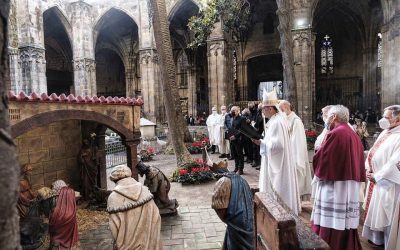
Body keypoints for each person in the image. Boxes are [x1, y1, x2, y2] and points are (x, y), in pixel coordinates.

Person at [311, 105, 365, 250]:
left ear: (334, 116)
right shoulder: (350, 132)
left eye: (328, 115)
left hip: (335, 185)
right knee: (343, 219)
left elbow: (325, 159)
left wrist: (317, 156)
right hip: (347, 182)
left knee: (333, 219)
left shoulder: (336, 133)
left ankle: (329, 244)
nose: (326, 118)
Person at [251, 90, 301, 215]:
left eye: (264, 108)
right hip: (275, 158)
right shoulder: (276, 120)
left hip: (278, 162)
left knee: (276, 191)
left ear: (271, 109)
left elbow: (279, 146)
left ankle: (278, 213)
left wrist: (261, 143)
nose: (262, 111)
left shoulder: (277, 122)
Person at [362, 105, 400, 248]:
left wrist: (378, 176)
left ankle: (388, 241)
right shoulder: (386, 132)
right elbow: (373, 151)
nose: (383, 120)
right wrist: (368, 166)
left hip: (391, 184)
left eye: (387, 117)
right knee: (377, 211)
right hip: (375, 179)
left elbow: (396, 163)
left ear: (398, 120)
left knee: (389, 215)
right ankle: (377, 238)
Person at [107, 165, 162, 250]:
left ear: (114, 179)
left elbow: (113, 227)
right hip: (149, 244)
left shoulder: (113, 197)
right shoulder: (145, 190)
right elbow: (156, 216)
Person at [279, 100, 312, 200]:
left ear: (284, 108)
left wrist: (297, 159)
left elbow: (298, 141)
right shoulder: (285, 119)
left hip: (295, 156)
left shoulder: (296, 121)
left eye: (280, 110)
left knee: (296, 183)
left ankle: (296, 203)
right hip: (286, 156)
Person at [211, 173, 254, 249]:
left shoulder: (223, 181)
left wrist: (229, 220)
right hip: (248, 218)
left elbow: (219, 207)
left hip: (238, 221)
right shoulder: (242, 180)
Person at [49, 180, 79, 249]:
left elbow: (53, 209)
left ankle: (57, 241)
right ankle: (70, 242)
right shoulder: (70, 191)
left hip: (58, 217)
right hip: (71, 215)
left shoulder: (55, 196)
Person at [229, 106, 245, 175]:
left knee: (240, 154)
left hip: (239, 139)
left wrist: (235, 136)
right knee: (235, 154)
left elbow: (242, 130)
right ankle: (236, 168)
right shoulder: (232, 118)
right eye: (231, 110)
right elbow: (232, 128)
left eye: (234, 110)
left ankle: (240, 169)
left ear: (238, 111)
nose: (232, 111)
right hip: (233, 140)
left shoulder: (242, 119)